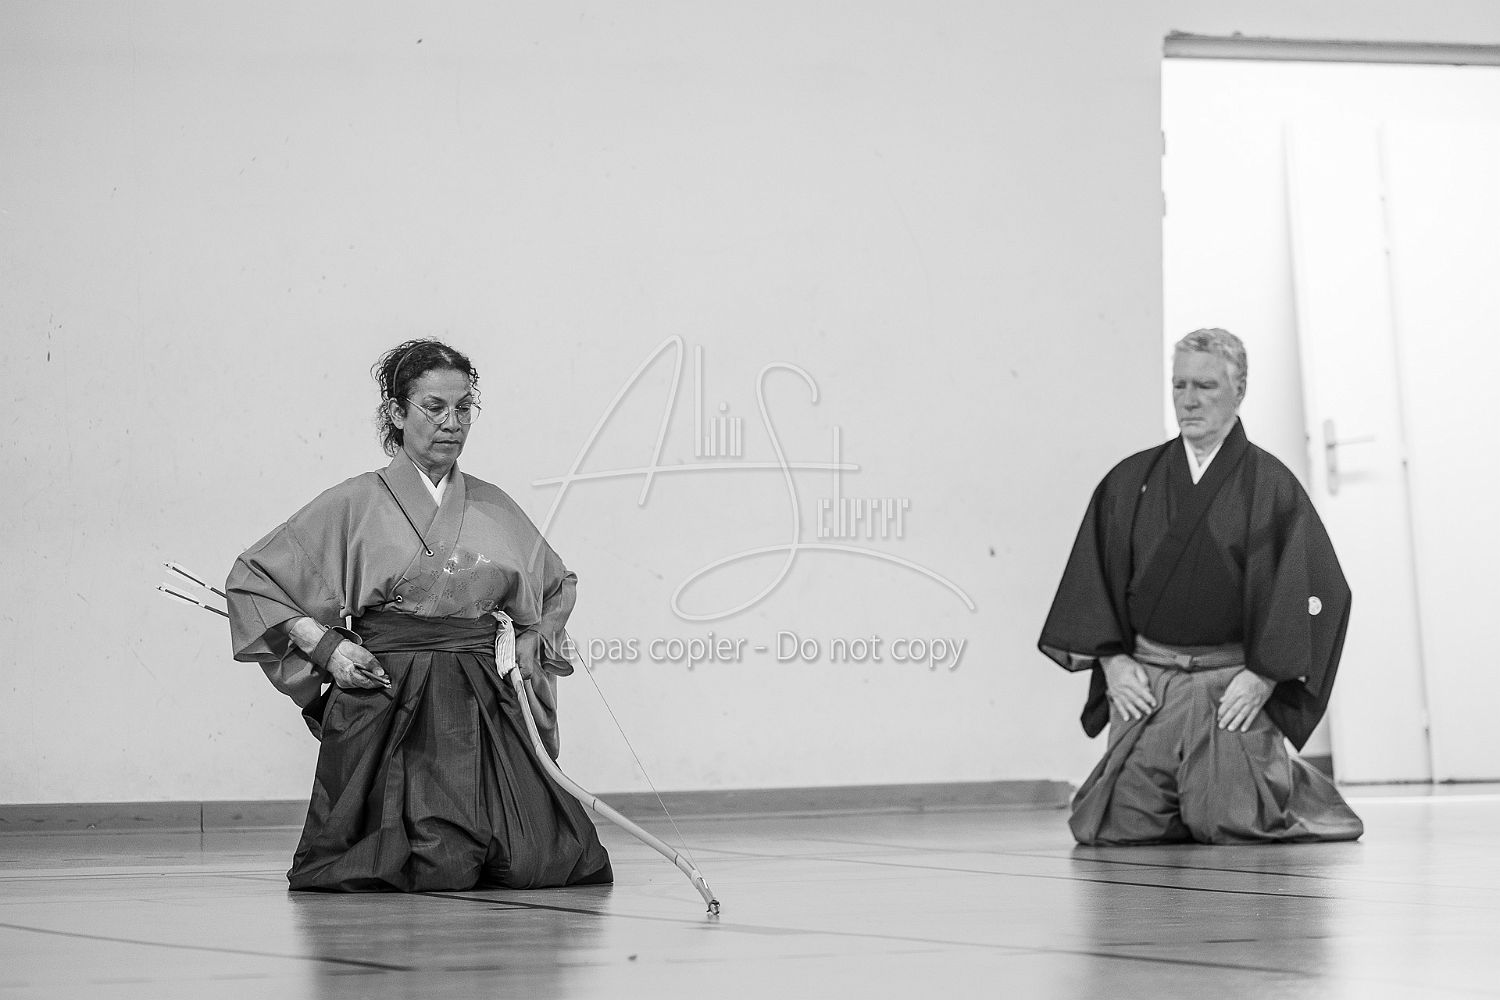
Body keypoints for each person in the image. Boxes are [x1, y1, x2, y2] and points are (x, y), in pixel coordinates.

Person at [227, 338, 614, 891]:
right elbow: (255, 579)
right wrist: (326, 647)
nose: (451, 423)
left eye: (463, 408)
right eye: (434, 407)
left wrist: (533, 638)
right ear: (396, 412)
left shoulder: (492, 503)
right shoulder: (354, 501)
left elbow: (557, 585)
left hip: (482, 694)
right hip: (392, 691)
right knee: (419, 862)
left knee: (544, 859)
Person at [1038, 328, 1363, 845]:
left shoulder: (1269, 485)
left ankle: (1285, 783)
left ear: (1239, 390)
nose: (1188, 400)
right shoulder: (1131, 480)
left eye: (1206, 386)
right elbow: (1092, 577)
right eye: (1179, 385)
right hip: (1150, 682)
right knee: (1115, 827)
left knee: (1231, 822)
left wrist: (1264, 677)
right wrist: (1113, 661)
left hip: (1229, 685)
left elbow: (1317, 589)